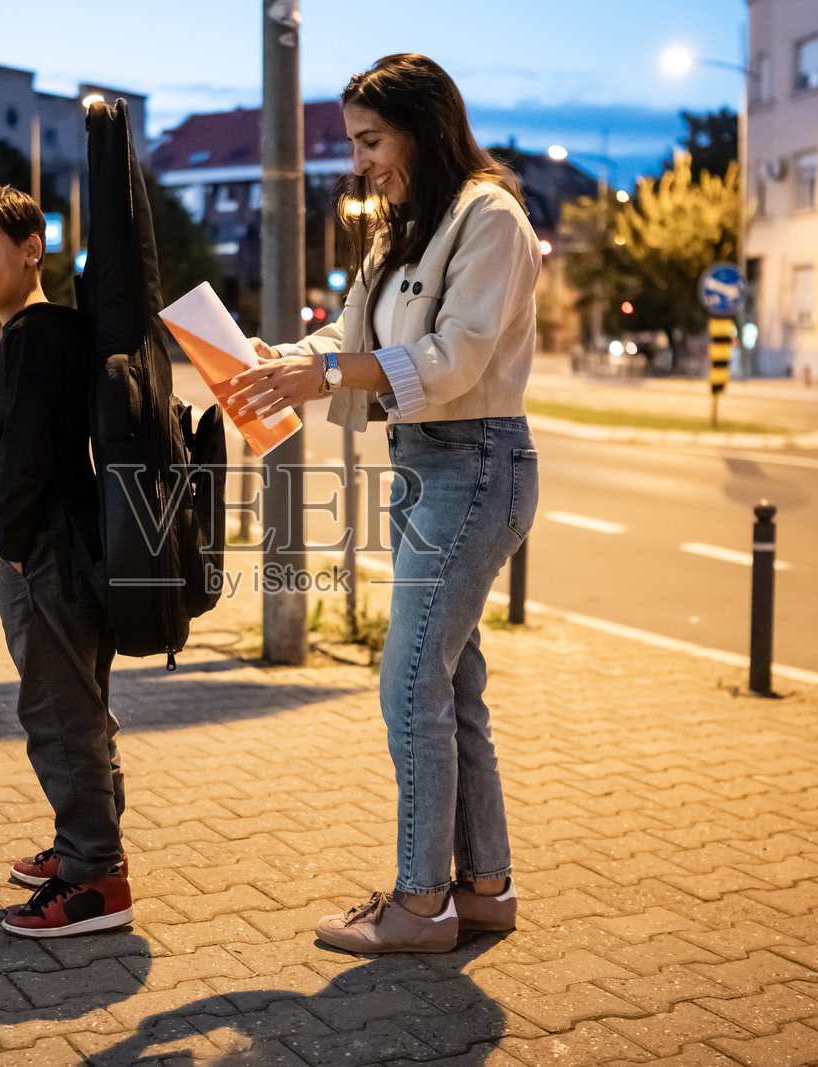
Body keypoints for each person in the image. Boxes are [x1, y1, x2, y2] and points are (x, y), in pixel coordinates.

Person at [228, 53, 541, 954]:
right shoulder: (403, 224)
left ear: (424, 127)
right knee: (453, 682)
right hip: (426, 463)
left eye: (371, 140)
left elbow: (455, 359)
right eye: (353, 143)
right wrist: (280, 357)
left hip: (476, 462)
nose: (359, 162)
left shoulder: (491, 218)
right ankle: (482, 887)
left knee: (407, 681)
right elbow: (348, 334)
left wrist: (321, 373)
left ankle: (420, 903)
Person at [0, 186, 132, 938]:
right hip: (81, 545)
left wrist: (12, 547)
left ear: (32, 249)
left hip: (44, 554)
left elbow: (20, 460)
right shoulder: (61, 329)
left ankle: (94, 876)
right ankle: (83, 846)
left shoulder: (30, 336)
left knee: (59, 714)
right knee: (82, 705)